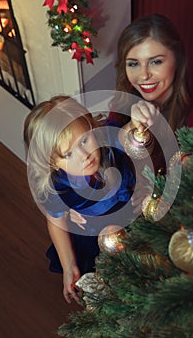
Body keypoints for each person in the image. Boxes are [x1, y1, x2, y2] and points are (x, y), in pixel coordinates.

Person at [23, 95, 140, 303]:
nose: (84, 155)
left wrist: (137, 125)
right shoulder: (60, 188)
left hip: (131, 221)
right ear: (52, 164)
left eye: (85, 140)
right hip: (93, 239)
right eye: (68, 154)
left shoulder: (106, 145)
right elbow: (56, 221)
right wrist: (69, 265)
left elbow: (124, 136)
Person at [108, 13, 193, 173]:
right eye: (133, 63)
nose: (143, 75)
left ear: (177, 59)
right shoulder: (122, 101)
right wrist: (131, 129)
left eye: (155, 62)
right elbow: (108, 155)